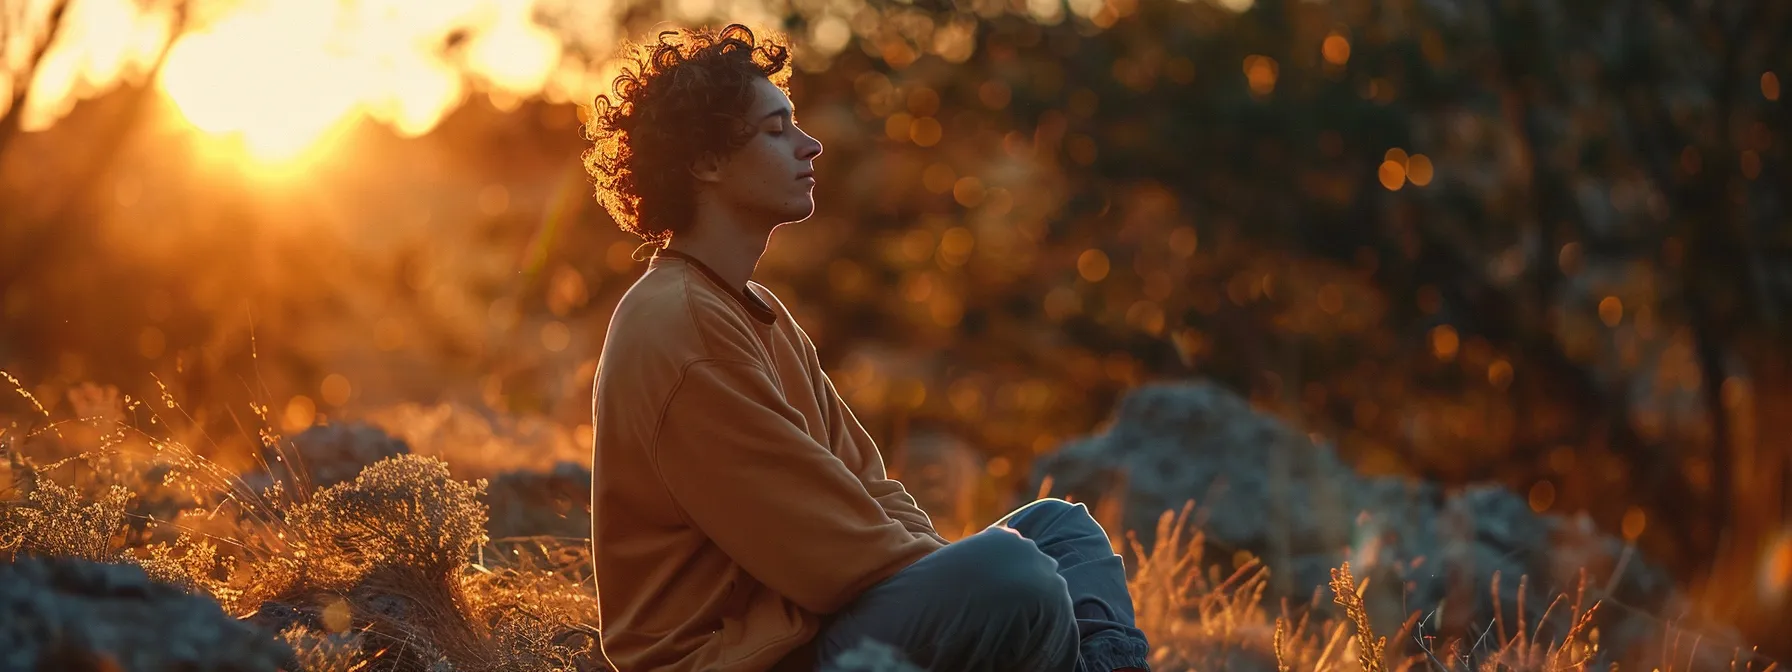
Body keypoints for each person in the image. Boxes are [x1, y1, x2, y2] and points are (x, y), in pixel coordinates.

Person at [581, 23, 1152, 672]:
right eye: (775, 131)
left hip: (821, 623)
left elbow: (871, 489)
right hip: (745, 660)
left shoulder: (757, 310)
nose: (810, 144)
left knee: (1061, 530)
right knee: (1017, 574)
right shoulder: (677, 326)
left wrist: (950, 582)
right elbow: (821, 548)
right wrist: (966, 588)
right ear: (706, 163)